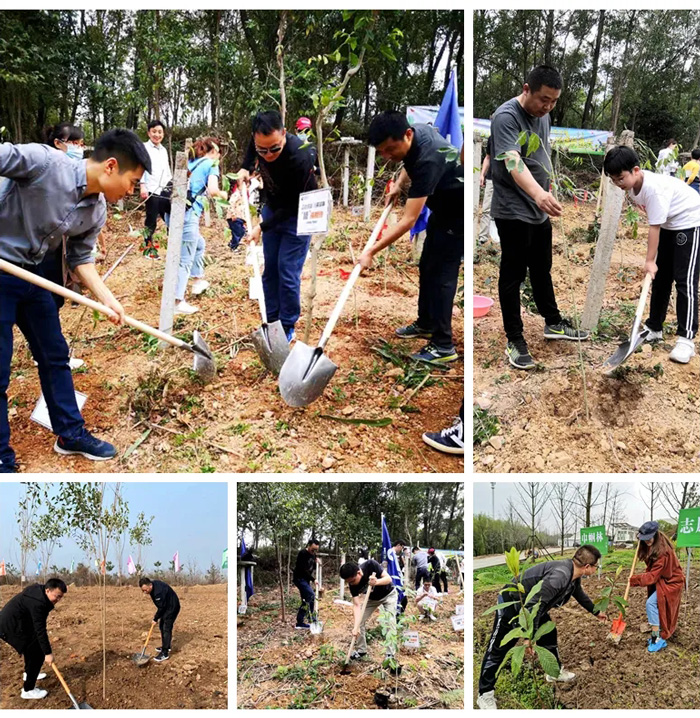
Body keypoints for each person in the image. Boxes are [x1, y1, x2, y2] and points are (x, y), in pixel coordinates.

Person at [0, 129, 150, 472]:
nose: (131, 191)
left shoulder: (96, 210)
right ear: (111, 166)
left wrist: (109, 300)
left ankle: (69, 433)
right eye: (131, 181)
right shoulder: (44, 163)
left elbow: (82, 259)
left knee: (55, 355)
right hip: (1, 268)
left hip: (34, 274)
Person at [491, 65, 589, 371]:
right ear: (526, 89)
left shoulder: (542, 116)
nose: (547, 107)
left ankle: (553, 322)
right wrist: (538, 194)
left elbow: (540, 155)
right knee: (513, 274)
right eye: (543, 99)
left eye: (554, 101)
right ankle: (514, 339)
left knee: (542, 269)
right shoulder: (506, 117)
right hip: (513, 208)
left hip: (538, 208)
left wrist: (548, 188)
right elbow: (512, 161)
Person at [362, 110, 464, 368]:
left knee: (442, 277)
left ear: (407, 135)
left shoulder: (428, 160)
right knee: (428, 265)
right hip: (443, 211)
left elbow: (408, 219)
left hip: (457, 215)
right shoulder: (416, 131)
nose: (387, 156)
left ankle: (443, 346)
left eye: (390, 149)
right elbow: (408, 161)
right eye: (382, 151)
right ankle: (427, 323)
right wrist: (398, 183)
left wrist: (371, 250)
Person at [477, 545, 606, 710]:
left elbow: (578, 593)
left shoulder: (573, 574)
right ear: (587, 567)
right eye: (596, 566)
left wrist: (595, 611)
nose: (596, 569)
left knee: (549, 633)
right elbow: (532, 605)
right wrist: (527, 637)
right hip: (513, 604)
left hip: (534, 606)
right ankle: (485, 694)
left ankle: (554, 672)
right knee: (498, 648)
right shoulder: (560, 576)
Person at [604, 144, 700, 363]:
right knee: (661, 278)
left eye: (620, 178)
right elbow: (656, 221)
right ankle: (654, 327)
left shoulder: (654, 189)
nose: (618, 184)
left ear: (636, 170)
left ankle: (686, 339)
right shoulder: (632, 187)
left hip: (691, 222)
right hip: (670, 223)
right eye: (613, 179)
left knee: (685, 280)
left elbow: (653, 228)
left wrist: (649, 260)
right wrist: (653, 265)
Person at [237, 111, 317, 341]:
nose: (268, 154)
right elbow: (253, 150)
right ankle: (271, 320)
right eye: (263, 150)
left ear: (284, 134)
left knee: (287, 270)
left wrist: (262, 227)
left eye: (274, 148)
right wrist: (245, 167)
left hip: (299, 213)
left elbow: (294, 204)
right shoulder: (259, 144)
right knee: (270, 268)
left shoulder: (299, 157)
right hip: (273, 208)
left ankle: (287, 325)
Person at [173, 137, 228, 315]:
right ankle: (177, 302)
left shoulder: (190, 162)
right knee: (185, 258)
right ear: (215, 151)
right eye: (219, 152)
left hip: (173, 211)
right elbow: (212, 190)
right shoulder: (211, 164)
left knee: (199, 244)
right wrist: (223, 194)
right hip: (189, 214)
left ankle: (197, 281)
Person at [0, 577, 67, 700]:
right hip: (10, 627)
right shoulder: (38, 603)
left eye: (60, 597)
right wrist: (48, 653)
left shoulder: (40, 594)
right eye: (56, 596)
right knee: (36, 653)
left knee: (34, 649)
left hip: (19, 622)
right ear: (47, 590)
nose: (58, 600)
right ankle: (28, 690)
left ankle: (29, 674)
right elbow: (40, 630)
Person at [628, 521, 684, 653]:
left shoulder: (662, 552)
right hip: (663, 580)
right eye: (644, 539)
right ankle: (658, 632)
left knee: (651, 604)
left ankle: (657, 638)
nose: (647, 541)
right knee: (657, 605)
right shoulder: (653, 545)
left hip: (672, 582)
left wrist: (634, 580)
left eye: (649, 538)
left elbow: (652, 576)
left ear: (655, 535)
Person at [339, 559, 399, 671]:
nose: (351, 584)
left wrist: (376, 582)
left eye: (352, 581)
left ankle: (390, 655)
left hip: (388, 595)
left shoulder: (371, 565)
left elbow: (388, 579)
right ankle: (361, 650)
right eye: (348, 582)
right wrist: (356, 627)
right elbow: (356, 605)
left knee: (390, 623)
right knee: (359, 622)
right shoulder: (352, 584)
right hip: (371, 600)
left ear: (359, 573)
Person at [140, 120, 173, 259]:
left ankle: (173, 247)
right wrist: (142, 185)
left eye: (160, 132)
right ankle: (148, 249)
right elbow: (140, 167)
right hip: (151, 188)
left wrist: (171, 186)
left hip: (164, 189)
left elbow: (167, 170)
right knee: (151, 219)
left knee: (170, 218)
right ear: (149, 133)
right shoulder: (143, 148)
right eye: (154, 131)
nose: (157, 134)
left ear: (163, 134)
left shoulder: (163, 150)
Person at [139, 577, 181, 662]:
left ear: (150, 585)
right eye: (143, 590)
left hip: (172, 607)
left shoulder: (158, 592)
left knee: (166, 628)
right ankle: (166, 646)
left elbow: (161, 608)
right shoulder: (153, 586)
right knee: (162, 626)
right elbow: (162, 606)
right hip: (167, 605)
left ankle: (165, 653)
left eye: (145, 590)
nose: (144, 592)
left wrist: (155, 618)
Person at [292, 539, 319, 630]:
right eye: (313, 549)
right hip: (300, 579)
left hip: (306, 580)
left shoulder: (313, 555)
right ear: (309, 545)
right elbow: (303, 569)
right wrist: (313, 579)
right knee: (311, 596)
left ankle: (300, 622)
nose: (314, 551)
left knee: (305, 600)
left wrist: (317, 563)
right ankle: (311, 618)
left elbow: (312, 567)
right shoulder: (302, 553)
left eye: (316, 549)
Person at [478, 131, 498, 244]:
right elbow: (488, 157)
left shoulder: (512, 136)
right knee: (486, 208)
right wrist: (482, 174)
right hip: (491, 178)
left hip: (507, 181)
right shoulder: (492, 138)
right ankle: (483, 238)